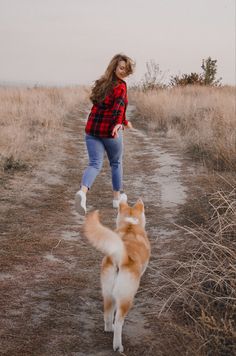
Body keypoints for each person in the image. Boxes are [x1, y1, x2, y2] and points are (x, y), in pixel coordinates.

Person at [75, 53, 135, 214]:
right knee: (116, 162)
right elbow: (119, 106)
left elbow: (108, 106)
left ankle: (82, 192)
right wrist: (117, 123)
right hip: (110, 132)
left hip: (92, 130)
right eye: (121, 68)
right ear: (114, 66)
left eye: (126, 69)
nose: (123, 71)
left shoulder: (101, 83)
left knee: (94, 164)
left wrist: (123, 120)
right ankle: (116, 199)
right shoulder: (121, 86)